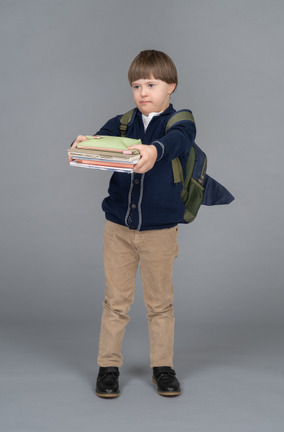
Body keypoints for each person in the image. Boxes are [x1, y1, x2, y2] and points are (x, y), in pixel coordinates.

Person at [71, 50, 196, 398]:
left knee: (160, 304)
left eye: (152, 84)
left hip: (160, 232)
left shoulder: (181, 122)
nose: (143, 92)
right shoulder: (123, 122)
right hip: (118, 230)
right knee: (116, 302)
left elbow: (176, 144)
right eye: (137, 85)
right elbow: (100, 143)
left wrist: (154, 151)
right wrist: (85, 144)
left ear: (170, 86)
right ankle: (108, 367)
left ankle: (163, 368)